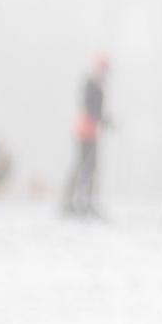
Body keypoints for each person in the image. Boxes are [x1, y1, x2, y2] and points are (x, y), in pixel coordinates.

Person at [60, 56, 110, 219]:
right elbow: (90, 108)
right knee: (82, 165)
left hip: (92, 132)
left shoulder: (97, 85)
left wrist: (104, 120)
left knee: (91, 167)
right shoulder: (90, 85)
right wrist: (104, 119)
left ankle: (87, 201)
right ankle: (70, 201)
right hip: (84, 131)